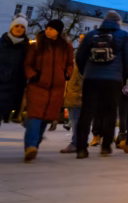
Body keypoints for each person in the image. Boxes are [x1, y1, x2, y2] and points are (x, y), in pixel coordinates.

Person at [75, 10, 128, 159]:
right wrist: (122, 76)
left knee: (86, 113)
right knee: (110, 113)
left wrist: (85, 72)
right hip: (113, 80)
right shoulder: (124, 36)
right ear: (118, 22)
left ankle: (81, 148)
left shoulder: (91, 35)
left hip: (91, 78)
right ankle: (106, 146)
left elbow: (80, 56)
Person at [23, 19, 73, 162]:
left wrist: (66, 74)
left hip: (56, 88)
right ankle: (31, 146)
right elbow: (27, 64)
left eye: (52, 29)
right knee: (35, 117)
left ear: (58, 31)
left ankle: (34, 147)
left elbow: (70, 63)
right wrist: (33, 76)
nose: (48, 30)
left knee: (45, 119)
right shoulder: (37, 45)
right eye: (47, 28)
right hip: (38, 86)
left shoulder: (66, 46)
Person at [0, 16, 31, 129]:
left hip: (13, 88)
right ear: (11, 27)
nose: (19, 29)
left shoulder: (26, 48)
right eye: (16, 26)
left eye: (22, 27)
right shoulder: (2, 43)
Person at [61, 34, 84, 154]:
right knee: (74, 119)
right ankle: (77, 142)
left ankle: (76, 143)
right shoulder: (75, 59)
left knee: (75, 120)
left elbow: (80, 78)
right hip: (71, 93)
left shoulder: (80, 59)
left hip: (76, 94)